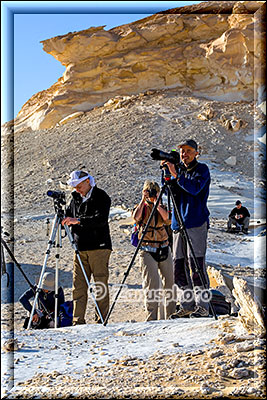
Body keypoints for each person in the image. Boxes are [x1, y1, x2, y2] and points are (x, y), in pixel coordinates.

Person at [162, 139, 211, 318]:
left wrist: (176, 174)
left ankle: (203, 306)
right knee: (179, 266)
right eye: (182, 151)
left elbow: (195, 189)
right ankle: (187, 305)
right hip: (177, 223)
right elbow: (168, 191)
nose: (184, 154)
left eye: (189, 150)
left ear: (197, 152)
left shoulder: (202, 170)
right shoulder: (178, 170)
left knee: (196, 264)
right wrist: (167, 173)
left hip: (196, 222)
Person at [62, 170, 112, 325]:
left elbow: (100, 220)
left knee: (99, 284)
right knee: (78, 286)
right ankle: (78, 320)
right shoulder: (75, 198)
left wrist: (78, 221)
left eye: (78, 185)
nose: (77, 189)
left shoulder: (101, 196)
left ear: (87, 181)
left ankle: (101, 319)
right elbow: (68, 217)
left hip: (98, 247)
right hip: (79, 248)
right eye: (74, 186)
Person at [132, 180, 176, 321]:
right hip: (147, 248)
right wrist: (142, 200)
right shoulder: (141, 207)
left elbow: (167, 219)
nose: (150, 194)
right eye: (148, 191)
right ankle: (151, 317)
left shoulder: (162, 206)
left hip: (163, 247)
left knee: (169, 283)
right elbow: (135, 218)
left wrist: (156, 202)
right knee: (152, 285)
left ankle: (171, 315)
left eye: (153, 192)